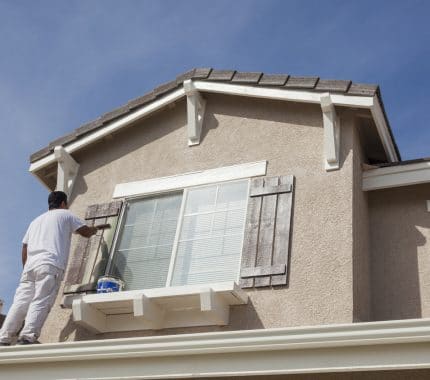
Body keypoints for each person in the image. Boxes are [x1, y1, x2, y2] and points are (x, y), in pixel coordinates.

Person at [0, 191, 98, 346]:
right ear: (63, 203)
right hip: (49, 264)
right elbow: (85, 232)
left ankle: (3, 338)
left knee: (20, 302)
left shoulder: (36, 221)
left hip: (30, 267)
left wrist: (26, 268)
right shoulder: (65, 214)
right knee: (41, 299)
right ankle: (27, 337)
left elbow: (24, 247)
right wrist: (94, 230)